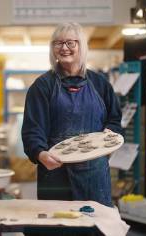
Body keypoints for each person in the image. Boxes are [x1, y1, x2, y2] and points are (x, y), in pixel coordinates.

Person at [22, 22, 122, 209]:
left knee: (93, 223)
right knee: (58, 225)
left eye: (70, 43)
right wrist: (40, 153)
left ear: (81, 46)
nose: (64, 48)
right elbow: (32, 129)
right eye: (58, 43)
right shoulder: (42, 86)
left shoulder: (100, 84)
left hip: (94, 173)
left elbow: (114, 119)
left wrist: (111, 131)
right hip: (55, 172)